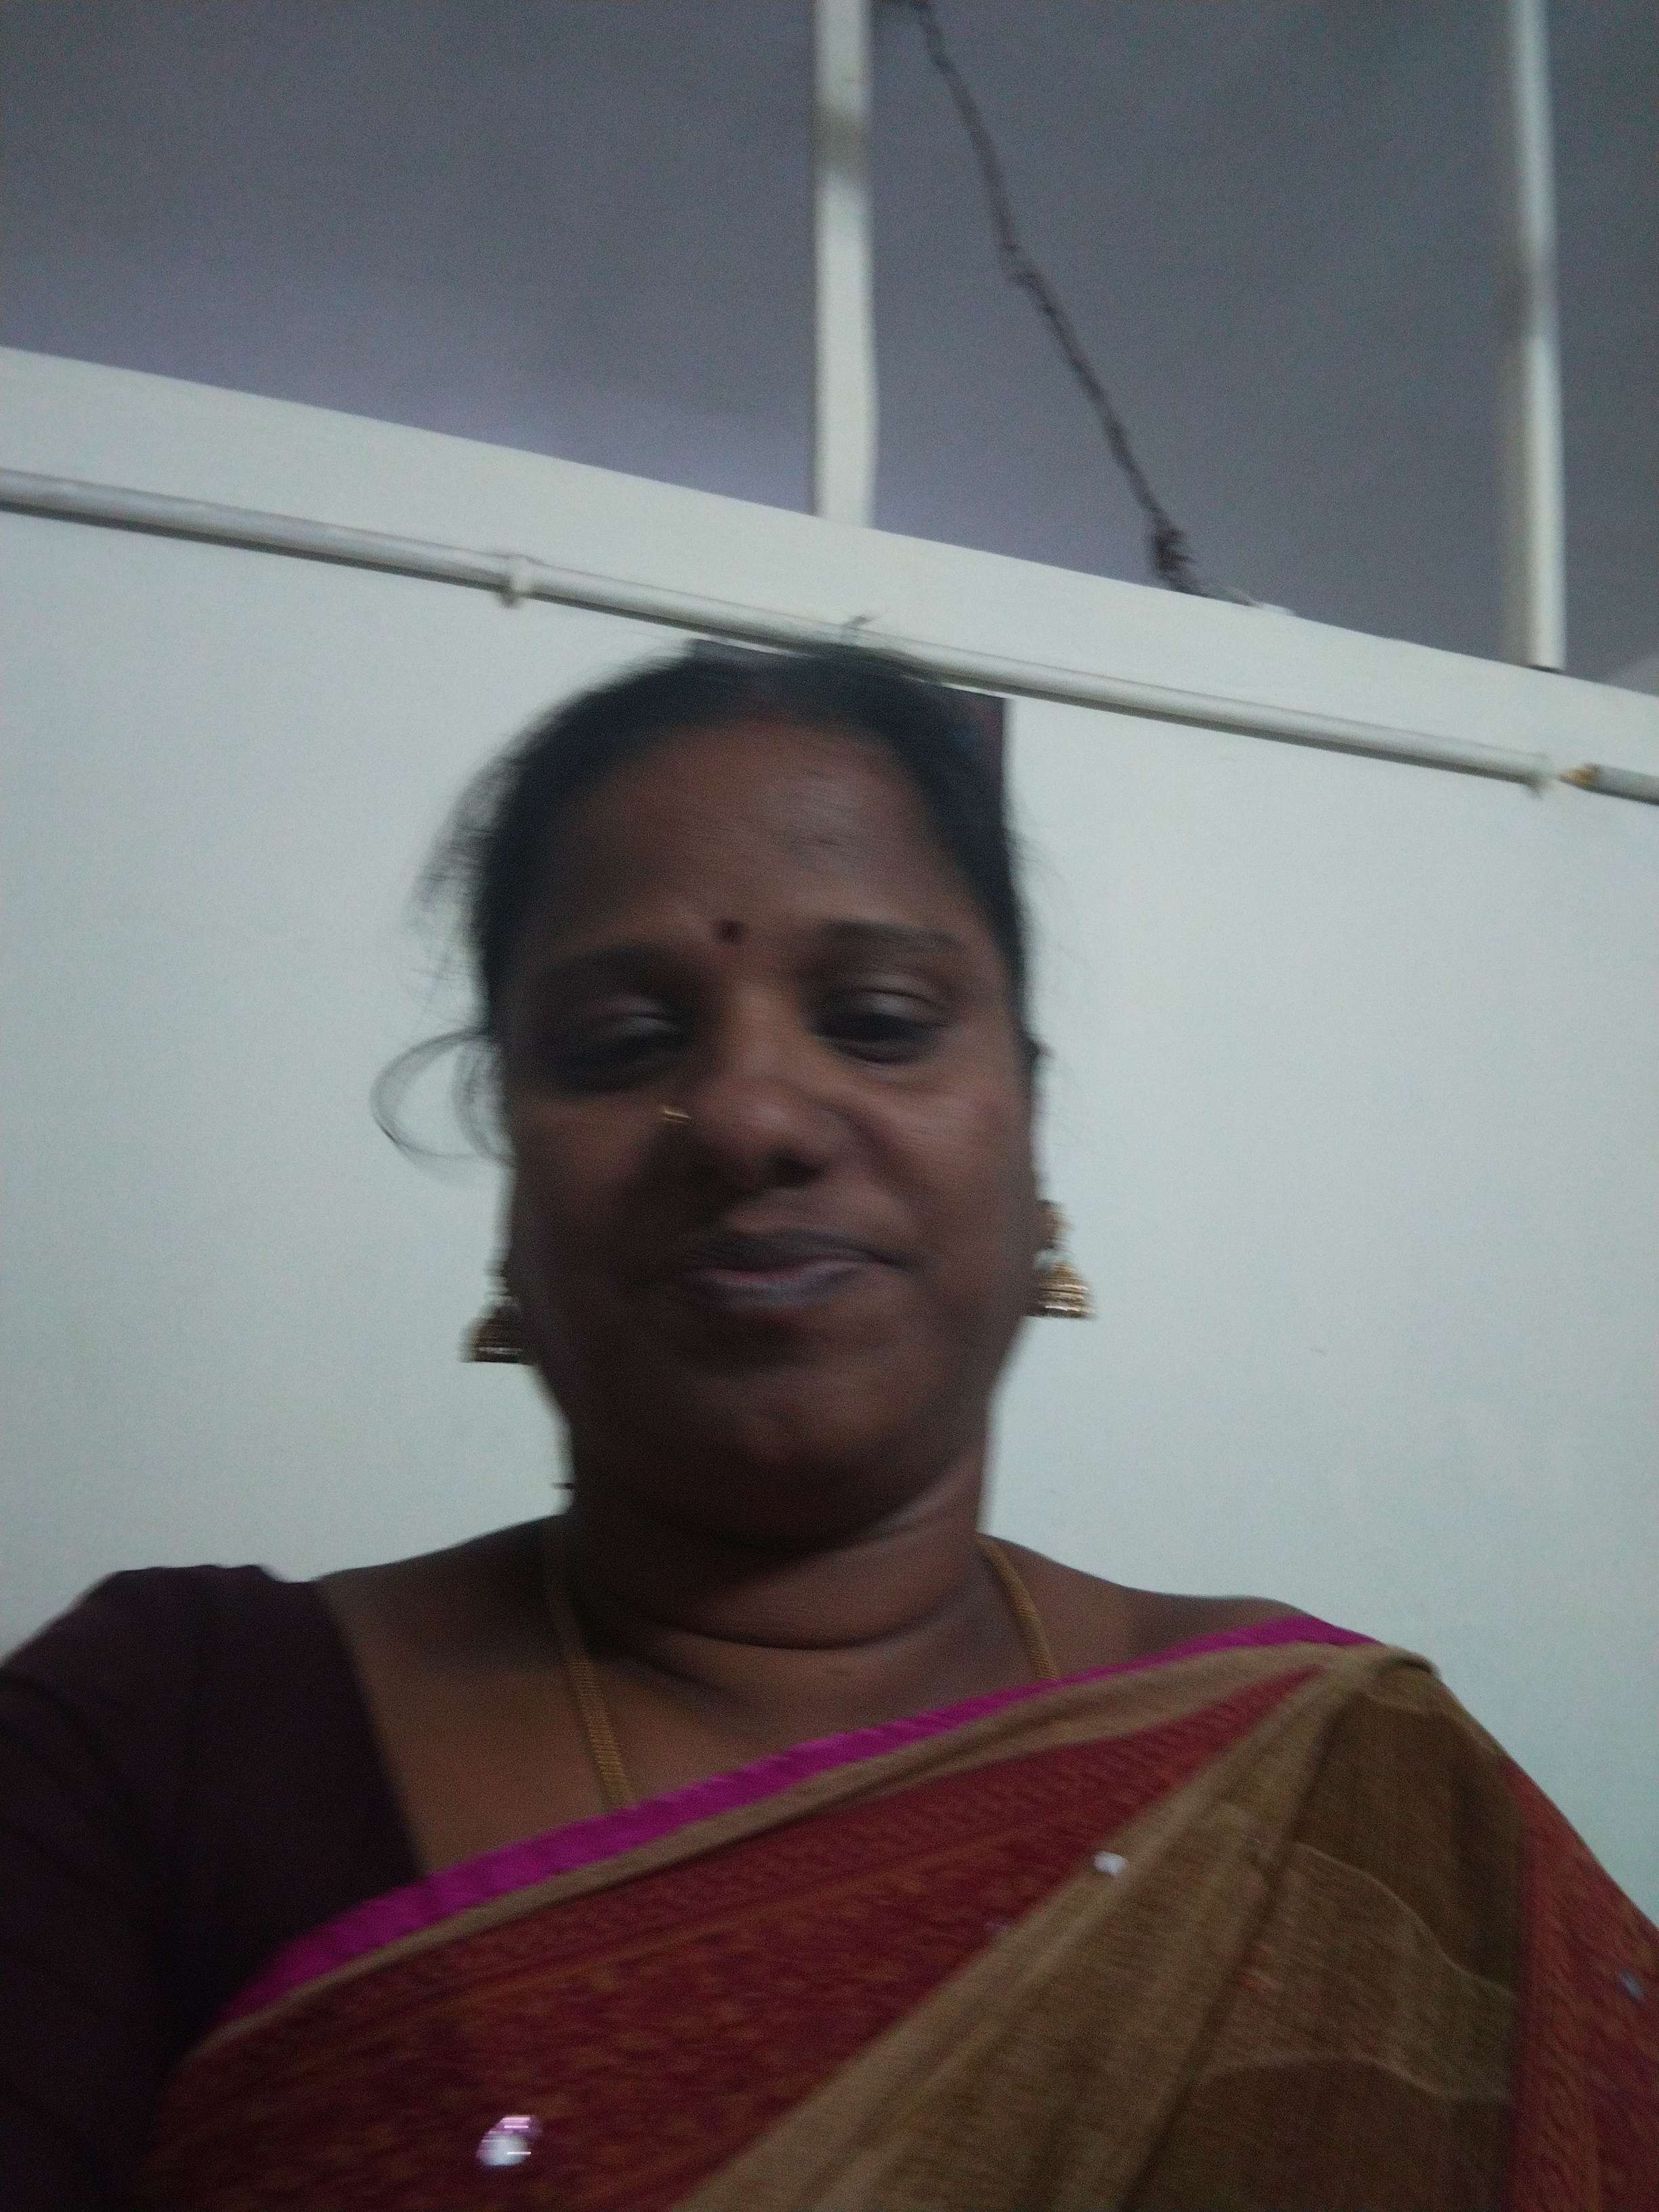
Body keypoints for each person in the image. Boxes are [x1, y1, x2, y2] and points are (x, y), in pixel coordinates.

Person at [1, 644, 1653, 2212]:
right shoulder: (163, 1740)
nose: (747, 1114)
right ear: (512, 1182)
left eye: (878, 1019)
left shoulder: (1337, 1785)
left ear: (1030, 1131)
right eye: (622, 1043)